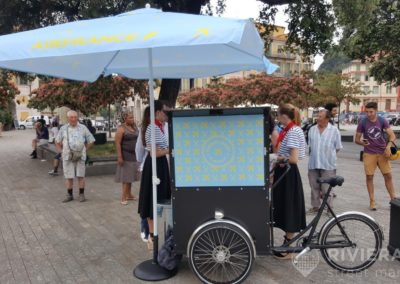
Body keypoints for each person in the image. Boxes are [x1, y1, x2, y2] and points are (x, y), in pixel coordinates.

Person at [272, 103, 306, 259]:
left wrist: (277, 158)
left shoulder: (292, 131)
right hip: (285, 172)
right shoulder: (291, 130)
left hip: (288, 173)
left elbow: (293, 159)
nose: (277, 118)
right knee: (286, 207)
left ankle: (289, 248)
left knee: (289, 207)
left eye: (278, 115)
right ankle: (287, 244)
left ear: (284, 116)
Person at [138, 100, 171, 250]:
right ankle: (151, 237)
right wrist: (170, 150)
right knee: (152, 200)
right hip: (155, 167)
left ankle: (153, 236)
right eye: (165, 111)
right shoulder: (153, 128)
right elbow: (154, 153)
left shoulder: (159, 127)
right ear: (158, 112)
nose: (167, 114)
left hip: (160, 165)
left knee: (157, 199)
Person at [355, 102, 397, 210]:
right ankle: (372, 201)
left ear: (376, 110)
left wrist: (388, 146)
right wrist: (362, 142)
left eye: (371, 112)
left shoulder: (382, 120)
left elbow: (392, 135)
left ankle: (393, 200)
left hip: (383, 152)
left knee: (388, 176)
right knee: (369, 177)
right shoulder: (362, 122)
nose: (369, 114)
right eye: (367, 112)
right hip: (369, 153)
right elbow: (356, 139)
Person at [55, 110, 95, 203]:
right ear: (68, 118)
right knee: (69, 176)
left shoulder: (83, 128)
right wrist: (61, 152)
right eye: (71, 117)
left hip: (80, 156)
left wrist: (85, 149)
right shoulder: (63, 129)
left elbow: (91, 140)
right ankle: (69, 195)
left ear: (77, 117)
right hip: (67, 157)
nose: (73, 119)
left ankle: (81, 195)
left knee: (81, 175)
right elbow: (57, 141)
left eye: (75, 117)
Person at [307, 109, 342, 214]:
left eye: (320, 116)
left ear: (327, 119)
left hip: (328, 164)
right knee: (314, 187)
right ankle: (315, 207)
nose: (318, 118)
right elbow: (310, 146)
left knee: (327, 189)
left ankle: (329, 209)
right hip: (313, 163)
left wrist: (328, 156)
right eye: (318, 116)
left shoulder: (334, 131)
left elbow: (338, 147)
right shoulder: (312, 129)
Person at [114, 111, 138, 205]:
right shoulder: (121, 129)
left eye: (132, 117)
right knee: (126, 177)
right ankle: (123, 197)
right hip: (125, 155)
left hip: (134, 155)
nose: (132, 119)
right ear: (125, 119)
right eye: (130, 118)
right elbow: (117, 143)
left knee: (131, 176)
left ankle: (129, 195)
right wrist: (120, 156)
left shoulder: (134, 127)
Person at [136, 106, 151, 242]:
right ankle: (145, 229)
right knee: (147, 198)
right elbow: (139, 152)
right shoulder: (144, 130)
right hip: (149, 166)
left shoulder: (164, 126)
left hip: (162, 166)